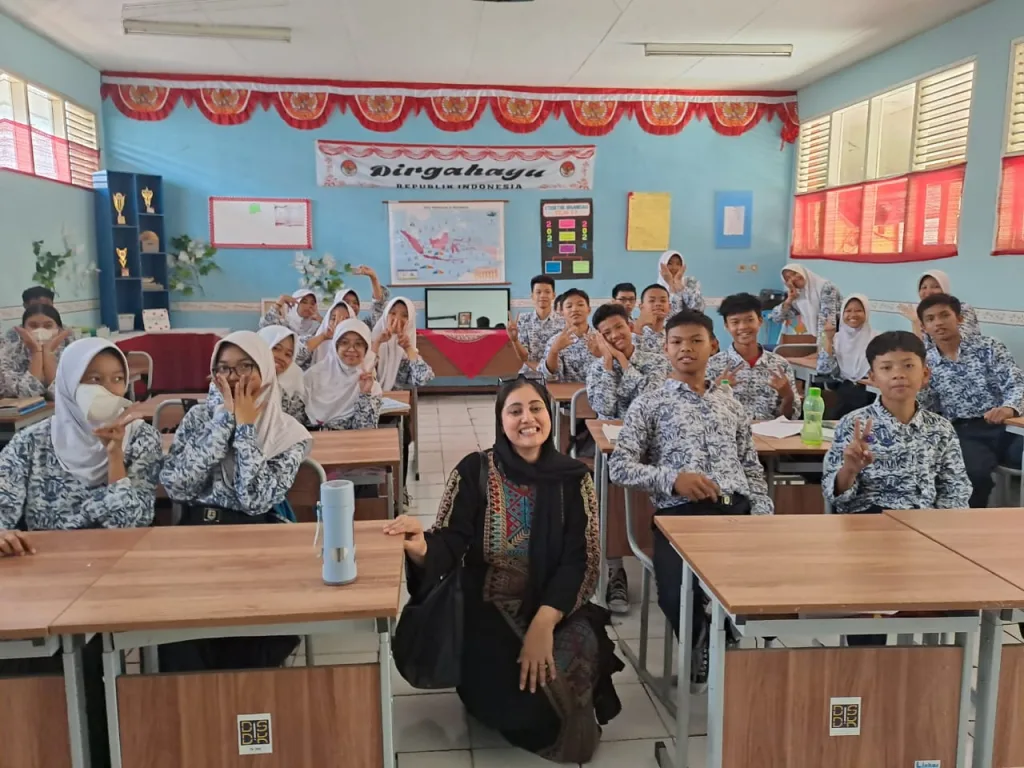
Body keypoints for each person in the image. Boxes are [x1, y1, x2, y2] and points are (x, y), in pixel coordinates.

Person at [383, 376, 622, 763]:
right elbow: (449, 540)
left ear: (549, 414)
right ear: (500, 420)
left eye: (535, 408)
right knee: (516, 700)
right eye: (515, 410)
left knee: (568, 670)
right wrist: (422, 545)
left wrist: (543, 625)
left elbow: (582, 559)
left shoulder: (574, 478)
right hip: (488, 605)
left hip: (554, 602)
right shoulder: (474, 471)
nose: (527, 418)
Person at [0, 337, 163, 768]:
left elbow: (131, 524)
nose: (107, 392)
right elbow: (2, 512)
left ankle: (105, 745)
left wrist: (114, 457)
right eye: (93, 380)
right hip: (44, 583)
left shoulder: (140, 441)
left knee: (98, 669)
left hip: (122, 581)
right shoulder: (30, 444)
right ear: (70, 385)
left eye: (116, 381)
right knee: (29, 670)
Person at [609, 309, 772, 690]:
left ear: (713, 346)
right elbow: (620, 466)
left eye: (696, 341)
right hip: (680, 516)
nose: (686, 349)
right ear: (665, 349)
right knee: (674, 592)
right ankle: (703, 640)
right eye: (677, 342)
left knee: (764, 587)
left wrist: (765, 514)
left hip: (738, 511)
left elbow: (751, 466)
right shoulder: (649, 403)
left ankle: (737, 647)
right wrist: (672, 479)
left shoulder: (731, 405)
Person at [158, 331, 312, 671]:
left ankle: (245, 701)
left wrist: (245, 429)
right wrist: (223, 423)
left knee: (252, 639)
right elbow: (177, 487)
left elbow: (254, 499)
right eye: (224, 369)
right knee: (179, 629)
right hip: (196, 534)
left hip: (259, 536)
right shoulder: (199, 418)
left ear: (266, 372)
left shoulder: (288, 433)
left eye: (246, 367)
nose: (234, 378)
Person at [823, 331, 971, 645]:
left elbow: (955, 487)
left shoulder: (940, 428)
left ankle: (933, 673)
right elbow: (834, 494)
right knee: (871, 608)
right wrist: (850, 468)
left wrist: (945, 533)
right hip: (869, 529)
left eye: (907, 366)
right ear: (872, 377)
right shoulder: (854, 424)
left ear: (925, 374)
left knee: (965, 595)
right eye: (887, 368)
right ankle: (866, 669)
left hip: (926, 529)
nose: (898, 375)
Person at [586, 301, 669, 614]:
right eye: (606, 333)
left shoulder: (658, 360)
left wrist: (625, 362)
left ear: (631, 326)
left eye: (619, 328)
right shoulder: (597, 369)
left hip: (659, 446)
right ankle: (615, 568)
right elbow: (604, 410)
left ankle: (668, 561)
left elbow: (653, 399)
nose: (615, 335)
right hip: (618, 449)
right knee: (606, 493)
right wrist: (610, 366)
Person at [917, 294, 1024, 508]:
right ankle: (974, 528)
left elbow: (1017, 383)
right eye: (930, 319)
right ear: (923, 327)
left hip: (1008, 426)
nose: (938, 322)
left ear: (959, 319)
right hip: (963, 431)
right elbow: (926, 408)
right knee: (973, 475)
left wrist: (1009, 408)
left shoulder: (989, 347)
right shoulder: (924, 362)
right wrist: (920, 387)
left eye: (944, 315)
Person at [373, 297, 435, 505]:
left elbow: (423, 378)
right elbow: (360, 372)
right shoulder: (370, 339)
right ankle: (376, 493)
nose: (397, 320)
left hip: (394, 411)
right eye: (393, 313)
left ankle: (400, 491)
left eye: (404, 315)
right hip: (366, 408)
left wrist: (409, 349)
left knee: (403, 437)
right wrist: (376, 343)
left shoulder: (408, 347)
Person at [707, 292, 801, 421]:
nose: (743, 327)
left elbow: (790, 419)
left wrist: (788, 397)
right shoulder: (712, 366)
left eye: (749, 320)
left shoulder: (780, 365)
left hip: (771, 436)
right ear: (726, 326)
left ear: (760, 321)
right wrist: (715, 391)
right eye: (735, 322)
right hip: (730, 437)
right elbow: (703, 416)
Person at [304, 319, 382, 430]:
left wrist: (365, 394)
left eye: (358, 344)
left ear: (366, 349)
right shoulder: (313, 376)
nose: (351, 349)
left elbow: (365, 431)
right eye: (344, 343)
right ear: (335, 347)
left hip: (351, 444)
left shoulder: (370, 384)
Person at [820, 294, 879, 419]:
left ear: (866, 313)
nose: (853, 315)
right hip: (843, 390)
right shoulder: (836, 338)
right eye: (848, 311)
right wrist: (828, 339)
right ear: (842, 313)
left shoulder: (877, 338)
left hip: (870, 391)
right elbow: (825, 369)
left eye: (858, 310)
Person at [1, 303, 73, 393]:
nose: (40, 331)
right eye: (33, 326)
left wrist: (48, 353)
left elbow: (63, 394)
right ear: (23, 329)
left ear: (59, 330)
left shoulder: (70, 352)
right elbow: (27, 395)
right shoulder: (9, 354)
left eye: (48, 326)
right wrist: (36, 352)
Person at [901, 270, 980, 345]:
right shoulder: (922, 314)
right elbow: (919, 348)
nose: (928, 292)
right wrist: (915, 322)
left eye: (935, 287)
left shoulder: (962, 308)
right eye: (924, 287)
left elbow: (959, 340)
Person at [771, 263, 842, 340]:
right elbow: (777, 318)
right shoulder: (798, 297)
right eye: (788, 278)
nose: (793, 278)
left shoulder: (826, 288)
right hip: (818, 340)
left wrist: (821, 347)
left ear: (802, 272)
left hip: (837, 337)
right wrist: (789, 300)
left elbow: (828, 320)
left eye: (794, 273)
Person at [508, 275, 565, 371]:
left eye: (547, 292)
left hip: (555, 374)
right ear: (532, 296)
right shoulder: (523, 319)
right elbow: (524, 357)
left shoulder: (563, 322)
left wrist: (545, 370)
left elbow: (563, 356)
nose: (543, 295)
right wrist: (515, 340)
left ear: (553, 295)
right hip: (529, 373)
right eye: (538, 292)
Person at [541, 288, 595, 382]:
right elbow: (547, 377)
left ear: (589, 310)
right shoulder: (555, 340)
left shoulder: (600, 338)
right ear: (562, 312)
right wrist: (554, 351)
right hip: (565, 395)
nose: (575, 309)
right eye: (569, 306)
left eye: (580, 305)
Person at [256, 325, 308, 421]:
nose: (281, 357)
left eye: (288, 354)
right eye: (276, 348)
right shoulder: (239, 380)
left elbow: (296, 424)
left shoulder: (293, 383)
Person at [302, 294, 357, 367]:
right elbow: (297, 352)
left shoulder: (359, 346)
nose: (339, 323)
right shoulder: (318, 341)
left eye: (345, 319)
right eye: (334, 318)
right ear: (327, 320)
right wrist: (324, 336)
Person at [632, 283, 673, 353]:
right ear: (641, 307)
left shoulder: (674, 334)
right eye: (652, 301)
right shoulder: (633, 332)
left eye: (663, 301)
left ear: (669, 307)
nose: (658, 304)